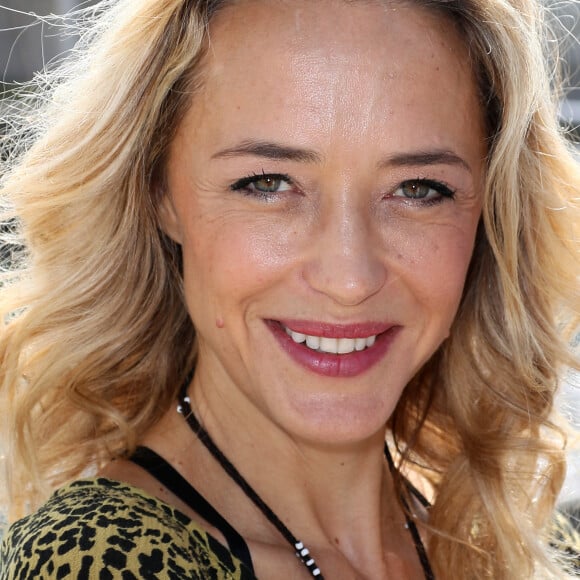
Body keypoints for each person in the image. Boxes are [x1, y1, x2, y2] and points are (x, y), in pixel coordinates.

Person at [0, 0, 579, 577]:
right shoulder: (102, 559)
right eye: (268, 182)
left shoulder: (502, 541)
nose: (350, 279)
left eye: (420, 189)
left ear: (491, 211)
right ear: (160, 192)